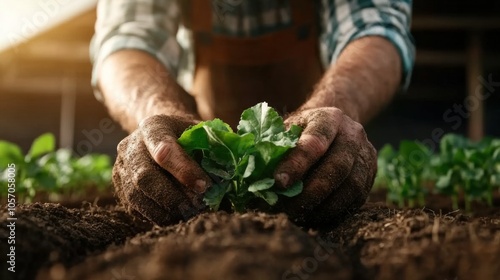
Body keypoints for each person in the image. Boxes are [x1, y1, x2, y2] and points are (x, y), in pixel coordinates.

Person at [90, 0, 415, 227]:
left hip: (310, 148)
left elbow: (376, 26)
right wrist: (153, 110)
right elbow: (127, 37)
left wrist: (339, 105)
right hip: (209, 144)